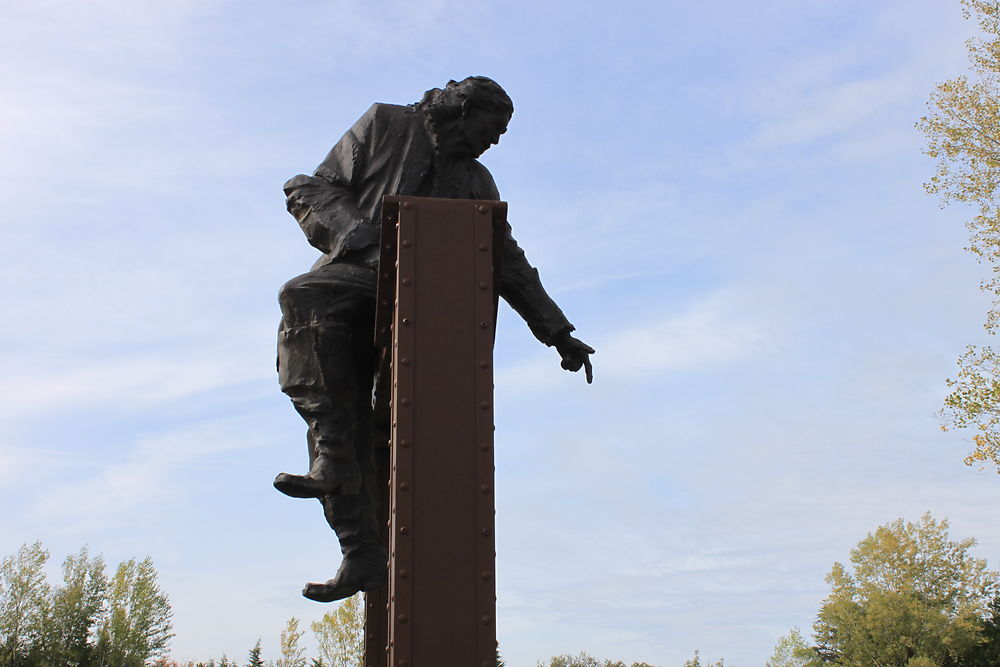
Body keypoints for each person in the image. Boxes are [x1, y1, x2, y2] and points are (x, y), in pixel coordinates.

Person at [274, 76, 595, 602]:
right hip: (357, 278)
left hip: (432, 310)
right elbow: (307, 188)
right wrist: (364, 238)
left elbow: (506, 259)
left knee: (307, 314)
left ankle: (346, 508)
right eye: (491, 130)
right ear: (460, 111)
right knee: (330, 398)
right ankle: (360, 549)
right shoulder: (384, 123)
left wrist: (558, 332)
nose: (493, 143)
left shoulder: (477, 183)